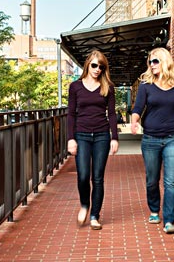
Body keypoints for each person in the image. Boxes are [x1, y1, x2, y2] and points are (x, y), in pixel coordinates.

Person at [129, 47, 174, 235]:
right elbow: (138, 107)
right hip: (151, 139)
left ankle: (169, 220)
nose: (151, 65)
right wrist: (134, 121)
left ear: (164, 62)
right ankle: (154, 210)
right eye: (150, 61)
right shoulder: (146, 86)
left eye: (155, 61)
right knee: (151, 180)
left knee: (171, 181)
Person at [66, 50, 119, 230]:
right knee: (82, 176)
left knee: (97, 178)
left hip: (102, 136)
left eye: (101, 67)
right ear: (88, 64)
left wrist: (115, 137)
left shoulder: (108, 87)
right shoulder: (75, 87)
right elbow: (71, 115)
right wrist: (70, 139)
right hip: (81, 135)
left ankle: (95, 215)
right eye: (95, 65)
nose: (97, 69)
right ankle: (84, 206)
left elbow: (111, 114)